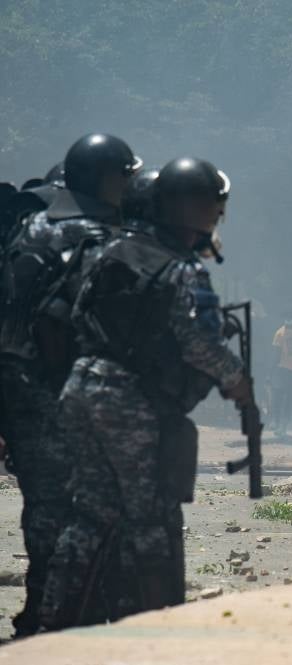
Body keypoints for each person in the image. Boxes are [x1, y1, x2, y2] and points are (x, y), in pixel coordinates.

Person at [40, 157, 249, 630]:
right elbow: (197, 343)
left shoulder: (107, 249)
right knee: (152, 518)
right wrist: (237, 381)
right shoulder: (177, 267)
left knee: (89, 514)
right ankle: (156, 630)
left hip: (81, 387)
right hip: (130, 402)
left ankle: (52, 623)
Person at [0, 134, 141, 637]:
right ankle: (76, 615)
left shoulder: (27, 229)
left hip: (20, 391)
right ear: (107, 177)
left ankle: (43, 611)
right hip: (75, 393)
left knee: (45, 508)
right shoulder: (100, 236)